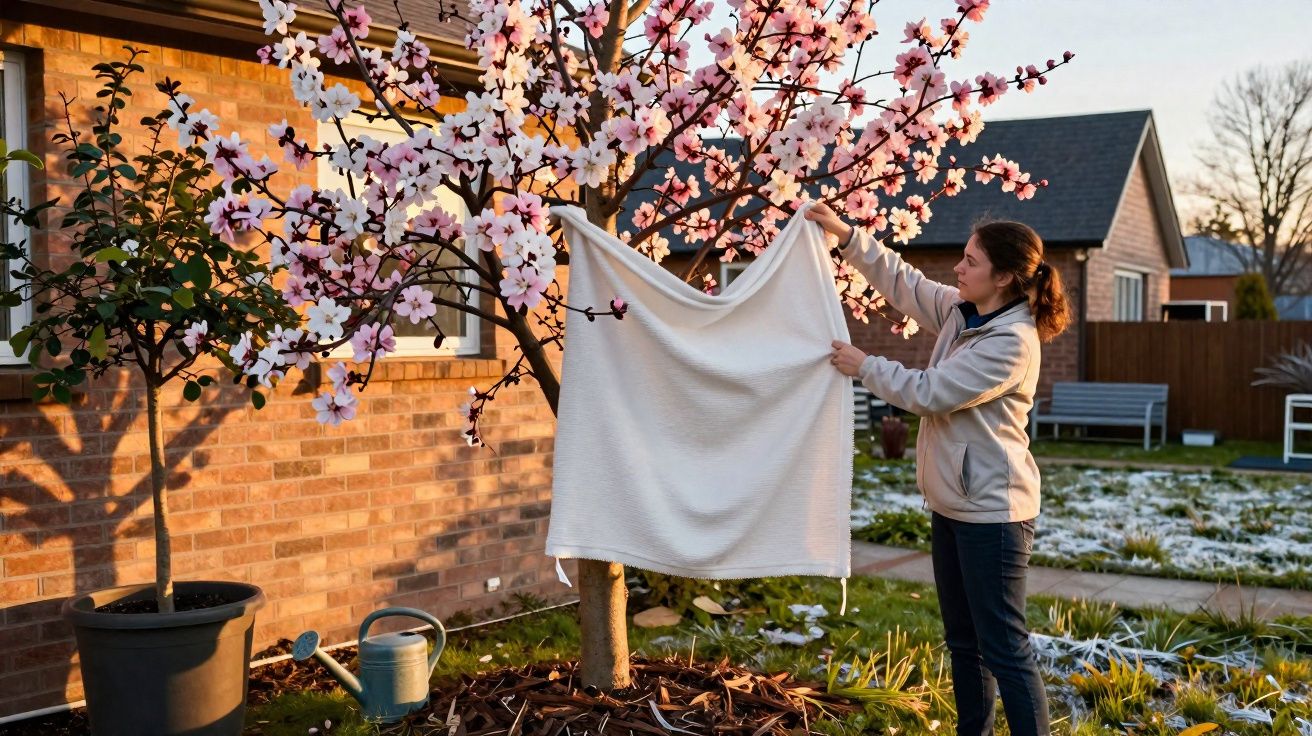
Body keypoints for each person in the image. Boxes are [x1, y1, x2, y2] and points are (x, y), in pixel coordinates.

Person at [805, 201, 1071, 736]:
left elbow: (930, 393)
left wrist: (865, 366)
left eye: (971, 261)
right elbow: (905, 283)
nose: (959, 268)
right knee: (964, 642)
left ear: (1002, 278)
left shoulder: (1011, 343)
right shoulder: (964, 312)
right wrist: (849, 236)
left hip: (994, 516)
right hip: (953, 504)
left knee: (1004, 647)